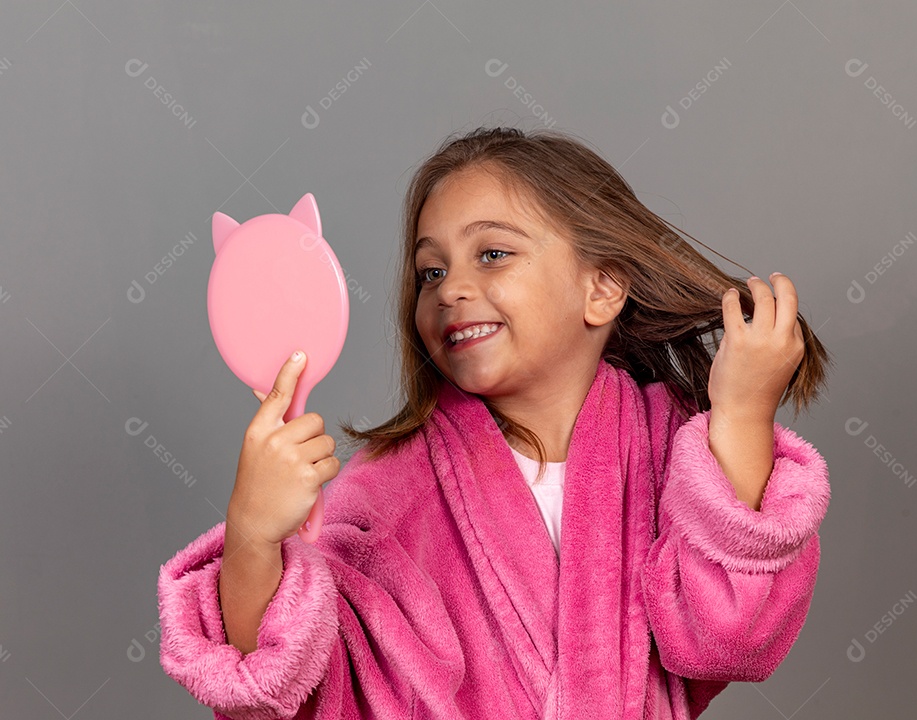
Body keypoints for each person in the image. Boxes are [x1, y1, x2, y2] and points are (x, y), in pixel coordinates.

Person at [156, 126, 833, 719]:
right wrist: (251, 536)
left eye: (492, 254)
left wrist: (742, 415)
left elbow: (732, 639)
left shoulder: (670, 453)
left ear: (602, 288)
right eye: (429, 271)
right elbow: (287, 692)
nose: (449, 288)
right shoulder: (393, 489)